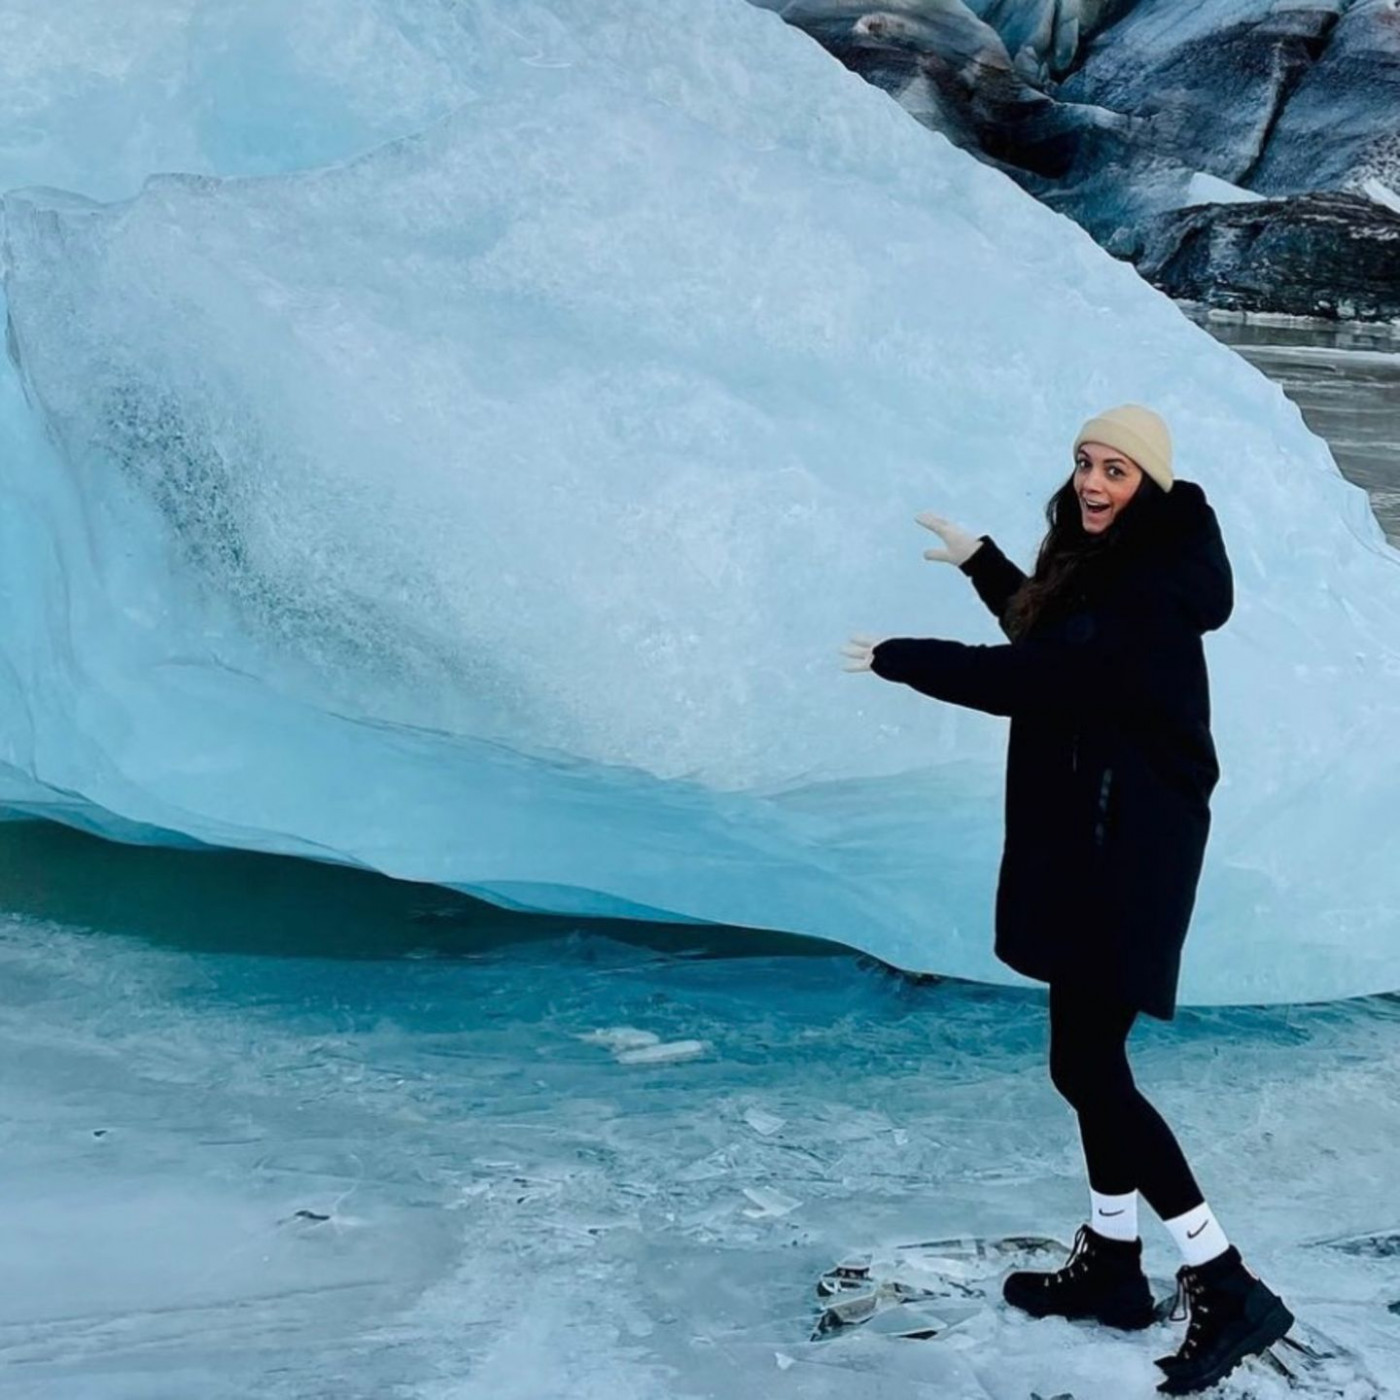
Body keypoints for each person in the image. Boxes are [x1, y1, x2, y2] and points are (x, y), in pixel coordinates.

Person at [841, 406, 1293, 1395]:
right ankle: (1113, 1263)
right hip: (1098, 831)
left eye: (1116, 469)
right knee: (1080, 1060)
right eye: (1084, 462)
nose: (1091, 481)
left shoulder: (1149, 590)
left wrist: (901, 656)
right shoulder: (1117, 569)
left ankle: (1221, 1279)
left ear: (1151, 485)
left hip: (1125, 845)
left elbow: (1036, 674)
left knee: (1090, 1065)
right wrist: (982, 560)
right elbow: (1050, 629)